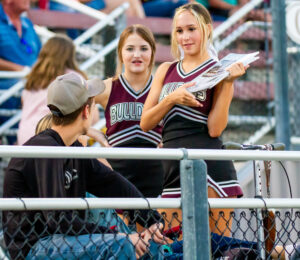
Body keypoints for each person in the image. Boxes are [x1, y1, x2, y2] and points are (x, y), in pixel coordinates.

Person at [3, 72, 166, 260]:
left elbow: (113, 183)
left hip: (65, 239)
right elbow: (60, 221)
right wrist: (119, 236)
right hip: (36, 247)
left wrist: (152, 220)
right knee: (122, 244)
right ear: (86, 111)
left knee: (149, 246)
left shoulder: (73, 148)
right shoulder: (45, 148)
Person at [140, 2, 246, 236]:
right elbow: (145, 122)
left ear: (206, 29)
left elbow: (215, 129)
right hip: (171, 166)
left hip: (210, 166)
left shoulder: (217, 69)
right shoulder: (165, 69)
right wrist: (171, 99)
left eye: (191, 29)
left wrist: (228, 83)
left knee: (218, 247)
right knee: (173, 248)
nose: (185, 37)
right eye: (179, 31)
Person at [93, 24, 164, 198]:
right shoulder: (108, 87)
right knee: (118, 225)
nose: (137, 55)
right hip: (116, 177)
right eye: (130, 49)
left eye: (143, 48)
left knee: (153, 225)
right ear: (121, 53)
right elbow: (70, 104)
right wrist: (90, 132)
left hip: (155, 177)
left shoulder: (163, 89)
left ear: (152, 52)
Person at [17, 34, 99, 145]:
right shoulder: (73, 78)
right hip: (52, 137)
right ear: (69, 54)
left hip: (25, 136)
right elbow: (92, 116)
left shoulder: (32, 78)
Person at [0, 0, 41, 142]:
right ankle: (18, 145)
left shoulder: (27, 24)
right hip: (8, 83)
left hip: (30, 80)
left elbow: (40, 55)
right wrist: (19, 69)